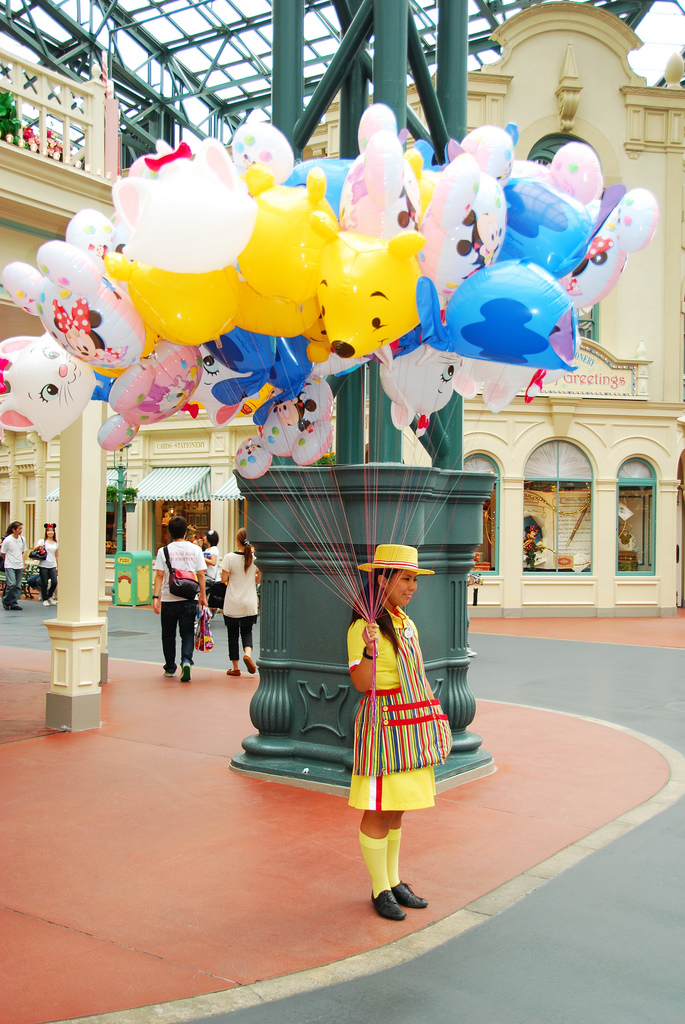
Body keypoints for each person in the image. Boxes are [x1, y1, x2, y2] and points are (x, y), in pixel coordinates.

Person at [348, 543, 452, 921]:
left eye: (414, 579)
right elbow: (361, 683)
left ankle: (393, 881)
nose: (412, 586)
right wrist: (370, 651)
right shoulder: (363, 627)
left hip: (411, 725)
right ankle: (379, 888)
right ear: (382, 579)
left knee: (397, 810)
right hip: (383, 725)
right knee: (379, 810)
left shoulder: (407, 623)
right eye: (406, 578)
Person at [152, 515, 208, 682]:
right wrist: (203, 596)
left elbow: (159, 576)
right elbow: (201, 575)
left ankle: (170, 667)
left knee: (168, 634)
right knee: (188, 633)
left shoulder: (163, 551)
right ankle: (186, 661)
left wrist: (156, 597)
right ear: (185, 532)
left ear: (170, 532)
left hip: (169, 599)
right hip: (189, 598)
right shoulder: (195, 550)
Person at [220, 527, 260, 676]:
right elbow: (259, 579)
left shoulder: (229, 557)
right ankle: (247, 655)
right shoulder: (255, 559)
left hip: (232, 603)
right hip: (249, 603)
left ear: (237, 541)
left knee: (232, 635)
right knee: (247, 631)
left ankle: (235, 667)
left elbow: (224, 579)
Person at [1, 521, 27, 611]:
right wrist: (7, 561)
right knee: (11, 583)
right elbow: (3, 553)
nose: (21, 531)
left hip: (19, 564)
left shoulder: (22, 539)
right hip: (10, 564)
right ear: (13, 530)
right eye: (19, 529)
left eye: (21, 529)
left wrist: (23, 563)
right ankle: (6, 600)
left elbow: (23, 552)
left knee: (18, 585)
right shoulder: (7, 540)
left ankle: (14, 603)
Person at [38, 523, 59, 606]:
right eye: (48, 531)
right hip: (43, 564)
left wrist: (58, 566)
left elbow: (56, 555)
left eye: (52, 531)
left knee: (54, 581)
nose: (50, 533)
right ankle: (45, 598)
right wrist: (40, 546)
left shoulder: (55, 543)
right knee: (44, 583)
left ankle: (49, 596)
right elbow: (35, 548)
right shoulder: (42, 541)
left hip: (52, 564)